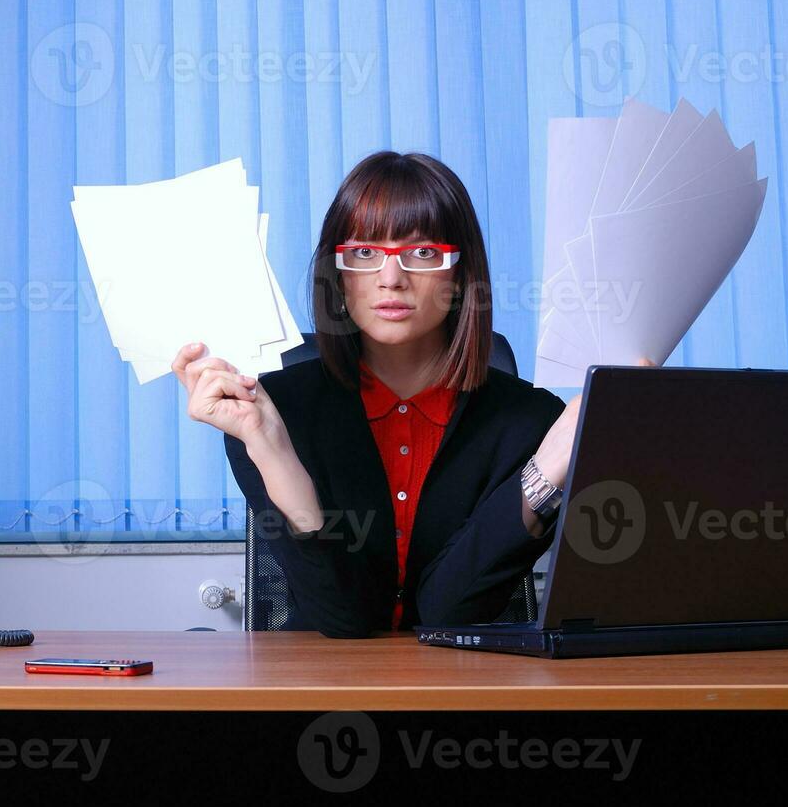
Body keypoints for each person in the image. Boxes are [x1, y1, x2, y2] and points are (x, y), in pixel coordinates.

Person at [172, 151, 654, 637]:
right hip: (320, 693)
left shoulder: (533, 423)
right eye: (364, 253)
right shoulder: (269, 413)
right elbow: (344, 618)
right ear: (338, 276)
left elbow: (448, 615)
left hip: (470, 692)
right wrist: (272, 450)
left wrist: (549, 466)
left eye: (422, 253)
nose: (391, 279)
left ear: (460, 275)